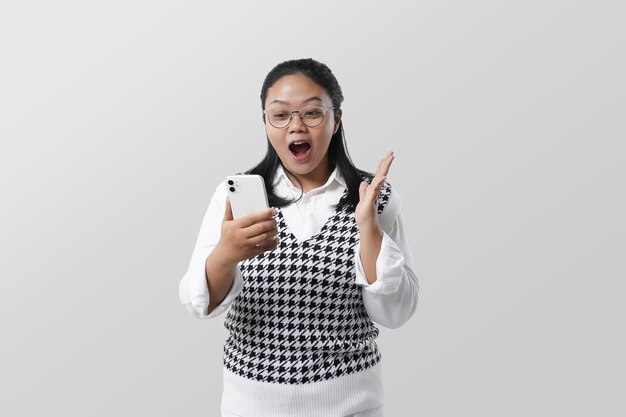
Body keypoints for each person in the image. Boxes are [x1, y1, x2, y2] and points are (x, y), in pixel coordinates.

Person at [179, 58, 419, 417]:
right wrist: (225, 255)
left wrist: (369, 230)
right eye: (280, 115)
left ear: (336, 120)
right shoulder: (233, 200)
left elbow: (395, 313)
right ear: (265, 122)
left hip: (353, 406)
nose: (296, 127)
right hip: (251, 407)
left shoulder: (373, 197)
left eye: (312, 113)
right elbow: (199, 306)